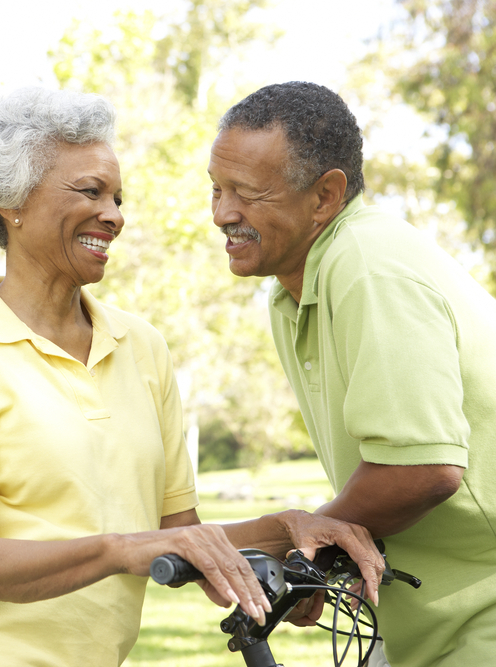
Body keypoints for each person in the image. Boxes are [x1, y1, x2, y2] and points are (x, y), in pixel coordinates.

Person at [0, 87, 383, 667]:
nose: (114, 216)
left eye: (116, 197)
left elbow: (180, 534)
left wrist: (291, 530)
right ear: (13, 200)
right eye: (90, 192)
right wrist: (123, 549)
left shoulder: (141, 347)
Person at [208, 81, 496, 667]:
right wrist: (319, 543)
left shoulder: (367, 265)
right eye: (216, 189)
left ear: (325, 196)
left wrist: (311, 540)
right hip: (427, 618)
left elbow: (422, 467)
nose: (221, 214)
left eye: (247, 193)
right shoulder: (290, 294)